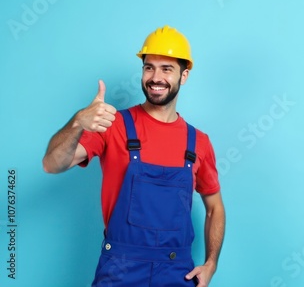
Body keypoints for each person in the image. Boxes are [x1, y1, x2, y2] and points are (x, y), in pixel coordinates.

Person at [42, 25, 225, 287]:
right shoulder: (112, 125)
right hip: (119, 269)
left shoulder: (199, 143)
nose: (155, 77)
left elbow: (215, 208)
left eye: (166, 69)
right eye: (149, 67)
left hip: (177, 272)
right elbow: (51, 164)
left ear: (184, 76)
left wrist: (211, 265)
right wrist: (78, 123)